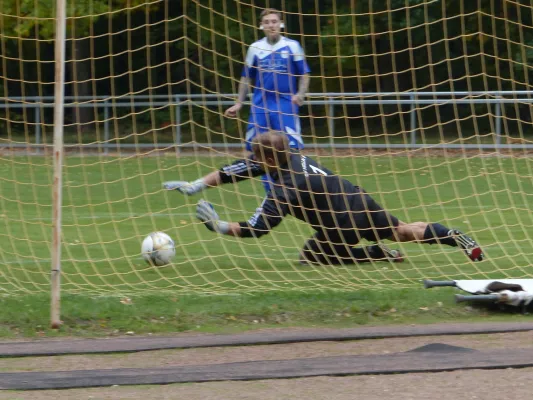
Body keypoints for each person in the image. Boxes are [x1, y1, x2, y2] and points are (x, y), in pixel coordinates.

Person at [191, 131, 484, 265]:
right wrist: (199, 184)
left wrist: (220, 225)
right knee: (402, 231)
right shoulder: (292, 157)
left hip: (341, 224)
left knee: (310, 256)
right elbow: (244, 169)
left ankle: (375, 254)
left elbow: (259, 228)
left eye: (255, 155)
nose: (250, 158)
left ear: (269, 157)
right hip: (357, 198)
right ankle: (451, 236)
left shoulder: (285, 189)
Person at [163, 8, 311, 195]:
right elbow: (246, 78)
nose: (271, 25)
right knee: (258, 151)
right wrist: (239, 103)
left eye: (274, 21)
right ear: (261, 25)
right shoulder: (255, 48)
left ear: (280, 24)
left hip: (285, 105)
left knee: (291, 148)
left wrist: (300, 94)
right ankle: (271, 193)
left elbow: (304, 74)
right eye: (267, 22)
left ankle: (297, 189)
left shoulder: (292, 46)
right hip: (260, 106)